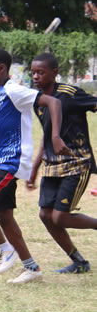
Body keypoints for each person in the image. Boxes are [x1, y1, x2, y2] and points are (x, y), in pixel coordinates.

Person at [0, 48, 62, 284]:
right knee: (4, 216)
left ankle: (5, 248)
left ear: (1, 69)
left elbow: (53, 102)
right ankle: (31, 267)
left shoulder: (14, 91)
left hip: (12, 161)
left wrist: (55, 136)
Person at [27, 52, 97, 273]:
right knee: (45, 215)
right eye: (33, 72)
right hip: (52, 165)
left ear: (54, 73)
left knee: (60, 217)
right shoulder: (37, 100)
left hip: (77, 162)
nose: (35, 77)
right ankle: (79, 262)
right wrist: (35, 168)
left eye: (41, 72)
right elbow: (47, 135)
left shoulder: (70, 94)